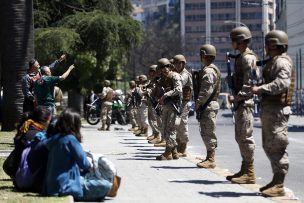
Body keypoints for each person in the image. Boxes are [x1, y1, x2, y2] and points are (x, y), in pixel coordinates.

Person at [250, 30, 294, 197]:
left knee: (277, 145)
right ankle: (276, 180)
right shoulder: (273, 61)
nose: (266, 47)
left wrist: (260, 89)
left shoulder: (282, 62)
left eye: (268, 44)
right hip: (271, 109)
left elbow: (282, 83)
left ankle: (279, 183)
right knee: (270, 145)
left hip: (277, 110)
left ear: (274, 44)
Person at [43, 108, 120, 201]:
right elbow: (84, 164)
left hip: (51, 185)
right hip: (66, 185)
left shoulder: (54, 138)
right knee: (106, 185)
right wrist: (90, 164)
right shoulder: (70, 139)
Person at [226, 26, 258, 184]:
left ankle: (250, 173)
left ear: (239, 41)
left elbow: (250, 83)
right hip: (240, 101)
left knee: (245, 137)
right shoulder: (240, 57)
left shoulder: (248, 58)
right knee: (240, 137)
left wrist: (236, 97)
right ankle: (245, 168)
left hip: (245, 102)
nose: (232, 43)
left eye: (233, 40)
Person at [195, 45, 221, 168]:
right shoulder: (211, 69)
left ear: (203, 55)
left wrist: (198, 103)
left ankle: (211, 159)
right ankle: (209, 157)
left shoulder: (209, 70)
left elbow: (206, 90)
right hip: (208, 104)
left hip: (208, 104)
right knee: (206, 131)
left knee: (208, 132)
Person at [156, 58, 182, 160]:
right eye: (162, 68)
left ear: (169, 67)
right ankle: (174, 151)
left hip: (173, 105)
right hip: (166, 105)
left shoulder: (175, 76)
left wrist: (166, 95)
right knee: (164, 128)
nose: (164, 69)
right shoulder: (162, 79)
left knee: (170, 129)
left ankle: (168, 153)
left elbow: (178, 90)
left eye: (166, 67)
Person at [173, 54, 193, 157]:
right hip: (177, 102)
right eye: (175, 63)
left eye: (178, 63)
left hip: (184, 103)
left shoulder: (185, 74)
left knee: (182, 124)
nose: (176, 65)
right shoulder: (175, 73)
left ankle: (183, 148)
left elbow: (180, 83)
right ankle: (177, 145)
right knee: (176, 124)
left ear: (183, 64)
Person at [146, 65, 162, 143]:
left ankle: (158, 135)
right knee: (151, 120)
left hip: (156, 102)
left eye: (153, 72)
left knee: (155, 120)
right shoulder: (152, 81)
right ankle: (155, 134)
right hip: (151, 102)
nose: (151, 73)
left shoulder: (159, 80)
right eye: (151, 72)